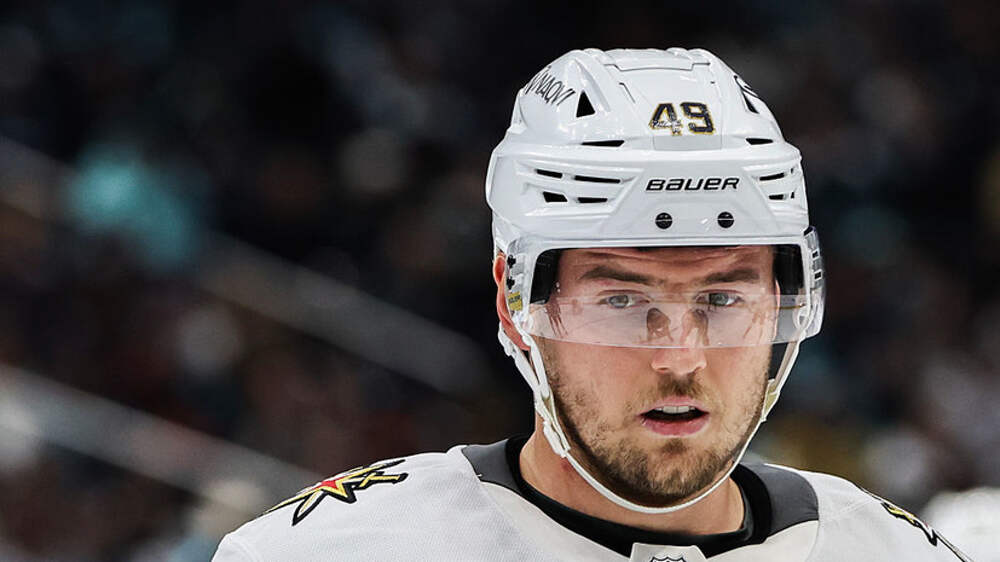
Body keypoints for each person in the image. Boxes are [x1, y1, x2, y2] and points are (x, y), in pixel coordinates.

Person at [213, 48, 971, 561]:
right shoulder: (335, 551)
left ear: (783, 302)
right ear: (515, 302)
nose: (679, 356)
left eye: (721, 297)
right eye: (622, 298)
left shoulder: (893, 552)